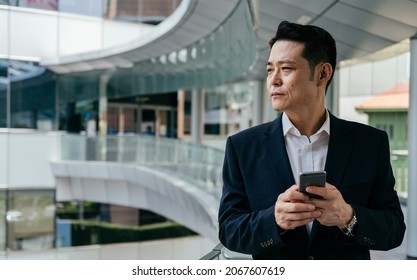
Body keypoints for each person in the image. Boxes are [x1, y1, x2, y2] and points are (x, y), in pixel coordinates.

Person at [218, 21, 406, 260]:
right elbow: (229, 230)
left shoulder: (370, 143)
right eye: (269, 70)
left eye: (285, 69)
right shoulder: (242, 146)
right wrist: (274, 221)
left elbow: (394, 230)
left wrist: (348, 217)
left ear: (322, 74)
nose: (274, 80)